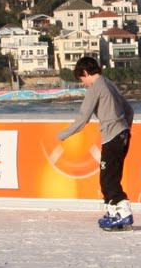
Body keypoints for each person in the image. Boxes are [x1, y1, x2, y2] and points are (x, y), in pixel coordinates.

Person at [55, 56, 135, 230]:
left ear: (85, 72)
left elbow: (83, 118)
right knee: (112, 175)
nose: (84, 83)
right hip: (123, 135)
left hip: (112, 137)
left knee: (108, 180)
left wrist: (61, 135)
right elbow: (129, 110)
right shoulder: (109, 83)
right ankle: (114, 212)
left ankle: (123, 212)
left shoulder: (95, 88)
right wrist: (125, 129)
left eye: (81, 79)